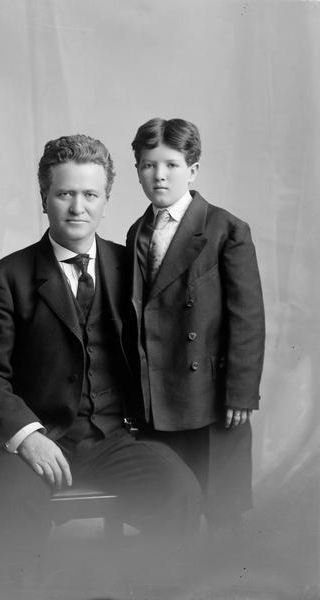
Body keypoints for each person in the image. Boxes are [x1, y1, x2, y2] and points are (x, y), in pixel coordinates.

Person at [0, 134, 200, 582]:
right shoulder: (6, 280)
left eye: (90, 194)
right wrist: (27, 437)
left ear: (106, 199)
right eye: (65, 193)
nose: (77, 208)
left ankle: (147, 591)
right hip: (35, 441)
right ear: (44, 198)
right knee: (9, 511)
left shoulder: (133, 269)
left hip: (110, 438)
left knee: (179, 491)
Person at [126, 118, 265, 537]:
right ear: (138, 170)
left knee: (221, 512)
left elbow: (248, 318)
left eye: (170, 163)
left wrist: (241, 393)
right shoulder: (137, 231)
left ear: (194, 169)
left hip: (210, 395)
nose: (159, 175)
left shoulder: (226, 229)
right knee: (170, 510)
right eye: (148, 165)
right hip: (158, 396)